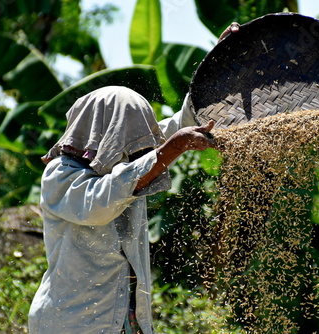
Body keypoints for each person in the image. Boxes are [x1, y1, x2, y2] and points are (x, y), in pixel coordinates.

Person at [28, 23, 240, 334]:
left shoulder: (127, 167)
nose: (138, 151)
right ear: (109, 137)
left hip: (123, 321)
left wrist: (218, 65)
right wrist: (171, 149)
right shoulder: (61, 175)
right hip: (70, 324)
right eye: (129, 141)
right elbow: (100, 203)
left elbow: (182, 124)